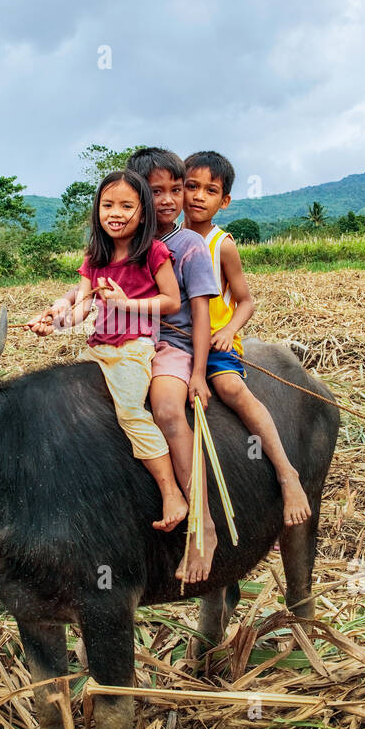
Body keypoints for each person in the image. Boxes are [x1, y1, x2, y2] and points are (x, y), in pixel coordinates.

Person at [31, 169, 189, 534]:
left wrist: (126, 302)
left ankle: (171, 492)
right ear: (97, 210)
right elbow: (82, 309)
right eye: (107, 205)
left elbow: (170, 301)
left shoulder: (153, 252)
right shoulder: (95, 256)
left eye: (126, 206)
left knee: (131, 411)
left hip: (134, 349)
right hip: (98, 348)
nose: (115, 213)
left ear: (143, 213)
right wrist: (53, 322)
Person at [183, 150, 312, 527]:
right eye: (191, 186)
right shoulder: (167, 240)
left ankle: (287, 474)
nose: (197, 196)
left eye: (210, 190)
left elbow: (246, 301)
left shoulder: (221, 245)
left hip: (217, 343)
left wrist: (228, 331)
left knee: (233, 390)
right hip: (177, 342)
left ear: (223, 202)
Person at [125, 147, 221, 582]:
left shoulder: (191, 245)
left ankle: (202, 523)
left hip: (173, 347)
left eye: (175, 189)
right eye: (155, 191)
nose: (166, 199)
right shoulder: (128, 244)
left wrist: (198, 372)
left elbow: (200, 312)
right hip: (130, 345)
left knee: (165, 408)